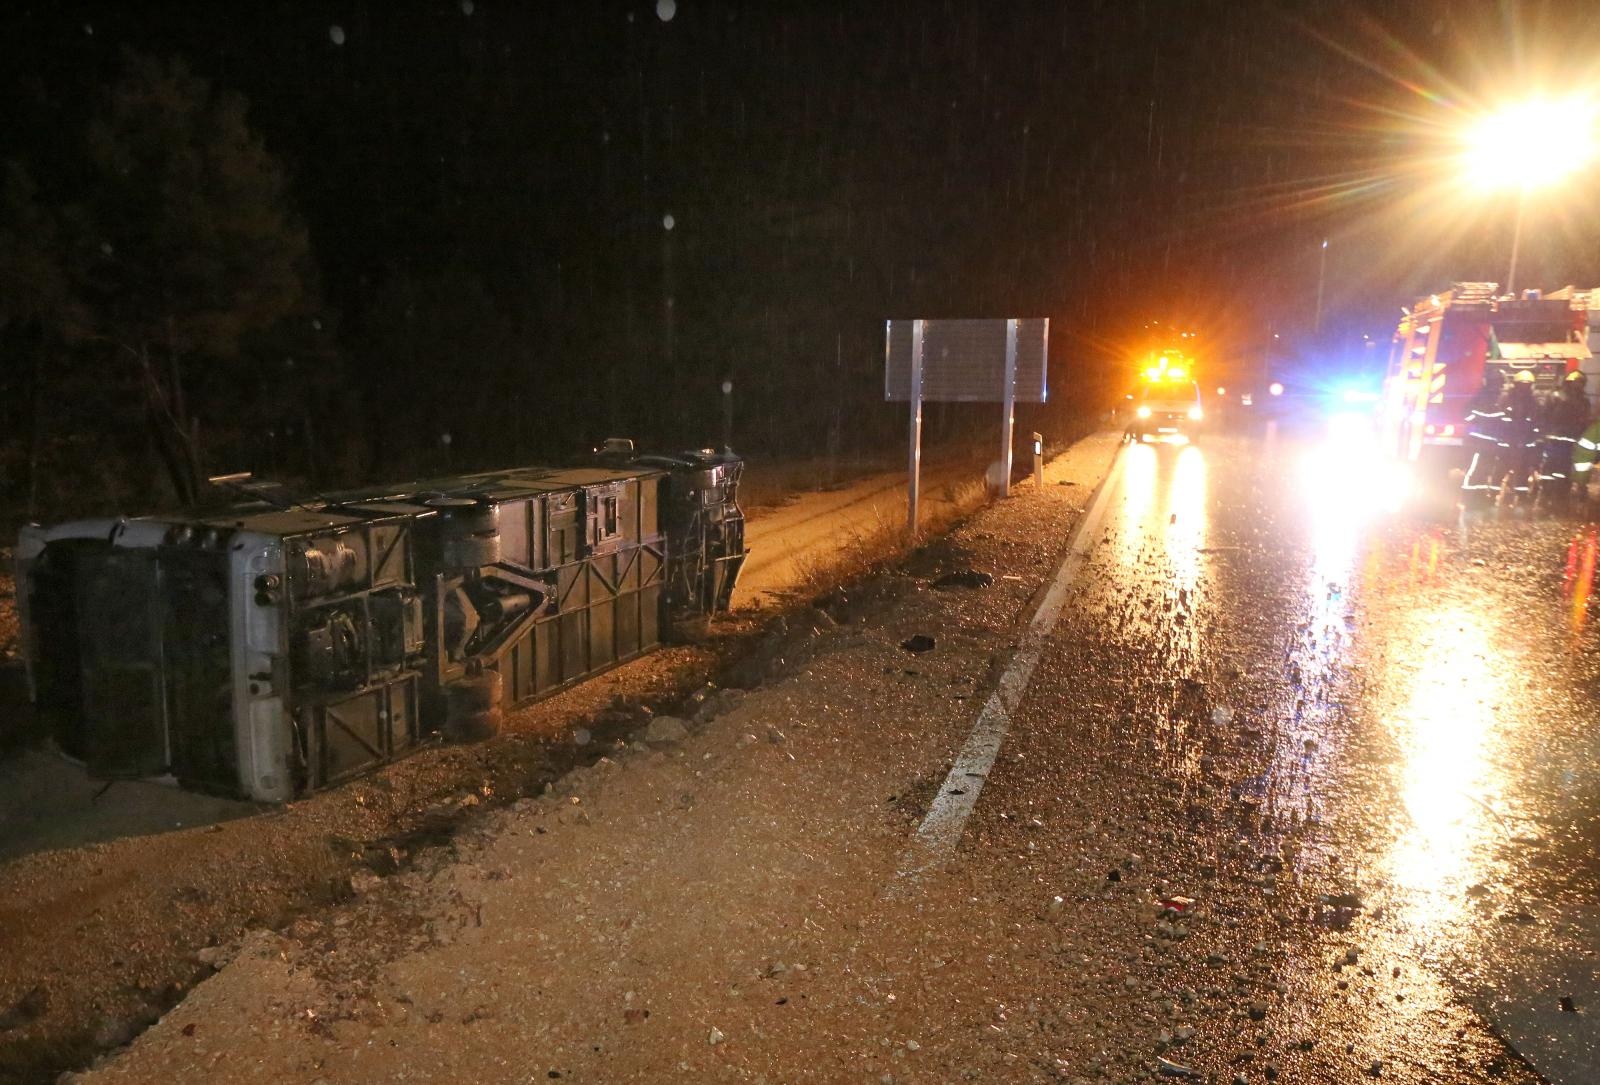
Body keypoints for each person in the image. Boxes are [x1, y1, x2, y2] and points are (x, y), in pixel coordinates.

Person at [1538, 371, 1591, 511]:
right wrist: (1543, 435)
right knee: (1550, 468)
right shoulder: (1557, 396)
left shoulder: (1583, 401)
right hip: (1555, 440)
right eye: (1576, 383)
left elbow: (1584, 422)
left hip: (1570, 442)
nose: (1578, 386)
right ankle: (1546, 493)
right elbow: (1545, 416)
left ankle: (1561, 496)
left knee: (1565, 470)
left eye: (1580, 383)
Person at [1460, 371, 1507, 507]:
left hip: (1480, 442)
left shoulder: (1484, 396)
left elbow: (1467, 414)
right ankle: (1473, 499)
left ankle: (1474, 498)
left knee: (1480, 470)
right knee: (1480, 470)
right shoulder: (1495, 399)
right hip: (1484, 442)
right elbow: (1468, 414)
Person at [1499, 370, 1542, 506]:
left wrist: (1536, 437)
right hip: (1509, 439)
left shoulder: (1534, 401)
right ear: (1515, 385)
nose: (1524, 388)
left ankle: (1521, 495)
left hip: (1526, 441)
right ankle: (1503, 493)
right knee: (1504, 466)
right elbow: (1502, 417)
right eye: (1521, 385)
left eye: (1527, 385)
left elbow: (1538, 419)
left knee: (1523, 468)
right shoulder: (1507, 398)